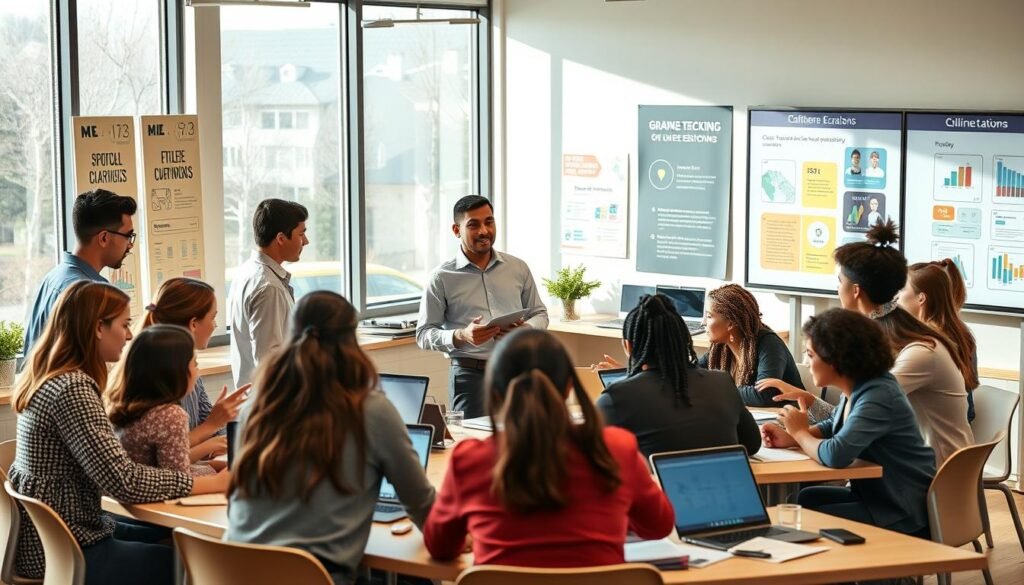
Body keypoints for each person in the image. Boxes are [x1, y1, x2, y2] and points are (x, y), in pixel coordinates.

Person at [9, 281, 228, 585]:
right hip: (69, 549)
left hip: (55, 540)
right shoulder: (73, 390)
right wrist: (212, 483)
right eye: (124, 324)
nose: (129, 334)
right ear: (99, 328)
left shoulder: (50, 378)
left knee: (172, 538)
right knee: (201, 563)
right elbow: (124, 481)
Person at [227, 291, 435, 585]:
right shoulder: (370, 409)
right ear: (351, 342)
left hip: (234, 570)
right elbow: (422, 505)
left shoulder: (257, 407)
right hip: (317, 577)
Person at [423, 329, 673, 566]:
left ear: (495, 393)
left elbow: (439, 546)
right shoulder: (616, 449)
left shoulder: (469, 459)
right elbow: (658, 526)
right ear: (569, 387)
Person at [760, 222, 974, 465]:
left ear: (856, 291)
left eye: (840, 282)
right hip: (904, 465)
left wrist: (801, 433)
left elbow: (855, 418)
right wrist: (796, 436)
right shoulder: (889, 340)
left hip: (932, 474)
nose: (837, 290)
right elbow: (850, 417)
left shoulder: (918, 353)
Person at [762, 309, 935, 537]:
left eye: (811, 355)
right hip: (882, 496)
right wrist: (792, 437)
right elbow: (835, 424)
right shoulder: (860, 386)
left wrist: (801, 433)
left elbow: (836, 455)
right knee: (808, 498)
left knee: (808, 519)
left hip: (902, 509)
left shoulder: (878, 395)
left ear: (836, 359)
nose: (807, 362)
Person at [416, 195, 549, 418]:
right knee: (474, 437)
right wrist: (461, 335)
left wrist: (525, 330)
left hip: (518, 371)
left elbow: (539, 313)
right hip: (470, 375)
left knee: (525, 436)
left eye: (489, 222)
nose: (484, 231)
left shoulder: (518, 268)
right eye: (473, 225)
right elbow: (423, 334)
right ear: (456, 230)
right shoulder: (441, 277)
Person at [594, 294, 761, 458]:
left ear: (628, 346)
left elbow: (594, 460)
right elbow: (752, 444)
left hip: (655, 478)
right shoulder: (722, 382)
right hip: (725, 477)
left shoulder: (616, 398)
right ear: (684, 341)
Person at [22, 189, 137, 362]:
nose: (130, 245)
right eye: (128, 236)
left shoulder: (54, 277)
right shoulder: (84, 293)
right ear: (104, 238)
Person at [142, 277, 248, 460]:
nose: (215, 325)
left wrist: (223, 420)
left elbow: (209, 424)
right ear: (193, 324)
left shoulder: (190, 369)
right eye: (213, 317)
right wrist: (211, 431)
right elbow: (164, 458)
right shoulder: (152, 377)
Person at [107, 325, 216, 477]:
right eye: (194, 363)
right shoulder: (170, 415)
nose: (197, 371)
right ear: (175, 371)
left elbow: (167, 469)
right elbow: (179, 483)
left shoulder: (130, 406)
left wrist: (214, 466)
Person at [228, 198, 309, 387]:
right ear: (281, 238)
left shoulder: (246, 271)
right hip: (271, 398)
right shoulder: (269, 287)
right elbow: (269, 361)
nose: (306, 241)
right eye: (301, 234)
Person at [697, 283, 804, 407]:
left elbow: (764, 395)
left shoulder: (769, 344)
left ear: (731, 323)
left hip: (789, 417)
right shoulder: (720, 349)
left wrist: (718, 390)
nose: (703, 323)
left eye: (709, 316)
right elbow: (690, 375)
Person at [898, 260, 979, 422]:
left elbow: (877, 393)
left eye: (901, 289)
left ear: (921, 298)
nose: (896, 297)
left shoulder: (927, 347)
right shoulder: (958, 334)